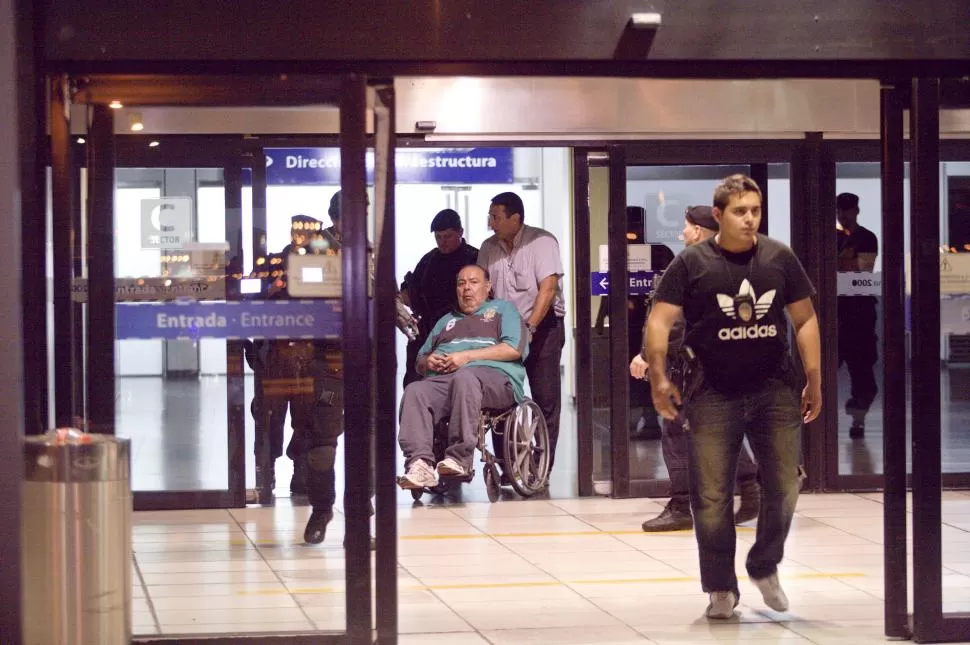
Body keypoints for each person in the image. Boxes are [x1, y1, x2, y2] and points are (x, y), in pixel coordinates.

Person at [646, 175, 821, 620]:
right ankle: (720, 587)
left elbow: (804, 319)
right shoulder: (691, 263)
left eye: (755, 211)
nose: (749, 219)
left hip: (774, 389)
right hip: (713, 392)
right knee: (711, 497)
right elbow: (659, 321)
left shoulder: (779, 257)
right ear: (718, 214)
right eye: (740, 211)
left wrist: (814, 379)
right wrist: (659, 377)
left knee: (784, 485)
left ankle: (764, 566)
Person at [630, 206, 762, 532]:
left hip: (694, 366)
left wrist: (647, 355)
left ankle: (680, 505)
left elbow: (673, 321)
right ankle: (750, 485)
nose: (682, 233)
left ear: (700, 231)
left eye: (686, 227)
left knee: (676, 430)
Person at [397, 265, 528, 488]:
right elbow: (421, 360)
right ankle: (420, 463)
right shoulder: (446, 320)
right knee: (415, 390)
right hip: (448, 380)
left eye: (473, 282)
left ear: (488, 287)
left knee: (465, 377)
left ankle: (459, 459)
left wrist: (465, 357)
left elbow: (513, 348)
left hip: (495, 379)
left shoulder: (504, 310)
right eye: (461, 283)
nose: (466, 288)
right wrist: (428, 361)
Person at [477, 192, 566, 472]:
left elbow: (547, 289)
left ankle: (541, 467)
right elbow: (481, 290)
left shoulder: (542, 241)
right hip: (503, 330)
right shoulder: (488, 247)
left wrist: (530, 328)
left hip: (542, 327)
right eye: (490, 216)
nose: (491, 223)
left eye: (495, 216)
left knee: (545, 397)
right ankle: (507, 467)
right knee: (501, 398)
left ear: (515, 218)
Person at [400, 209, 479, 387]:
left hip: (461, 335)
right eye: (438, 237)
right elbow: (410, 288)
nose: (442, 242)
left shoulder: (473, 258)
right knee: (414, 385)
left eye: (447, 236)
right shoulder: (429, 259)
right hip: (425, 334)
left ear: (460, 232)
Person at [835, 192, 879, 439]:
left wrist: (839, 265)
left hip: (859, 316)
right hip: (836, 314)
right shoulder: (832, 238)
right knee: (821, 373)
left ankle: (858, 419)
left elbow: (863, 273)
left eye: (847, 210)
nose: (843, 215)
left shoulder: (867, 238)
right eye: (840, 210)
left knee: (863, 377)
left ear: (856, 211)